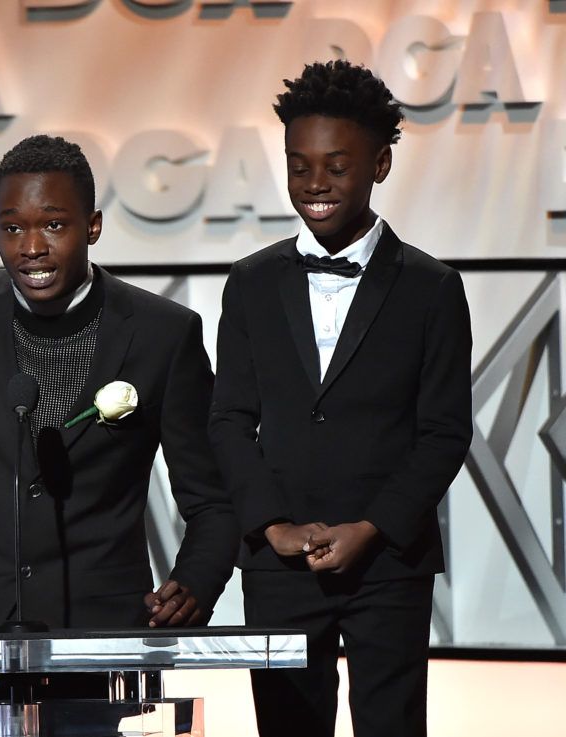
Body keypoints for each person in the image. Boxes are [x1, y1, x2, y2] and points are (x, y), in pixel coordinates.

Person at [0, 134, 237, 633]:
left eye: (54, 225)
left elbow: (211, 497)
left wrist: (197, 582)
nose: (31, 248)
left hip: (97, 623)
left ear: (92, 226)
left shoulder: (163, 332)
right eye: (12, 228)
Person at [208, 60, 472, 737]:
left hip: (387, 561)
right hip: (279, 562)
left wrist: (371, 527)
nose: (314, 184)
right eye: (299, 166)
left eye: (335, 166)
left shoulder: (431, 288)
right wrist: (274, 527)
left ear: (380, 163)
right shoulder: (250, 283)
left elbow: (444, 431)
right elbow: (231, 421)